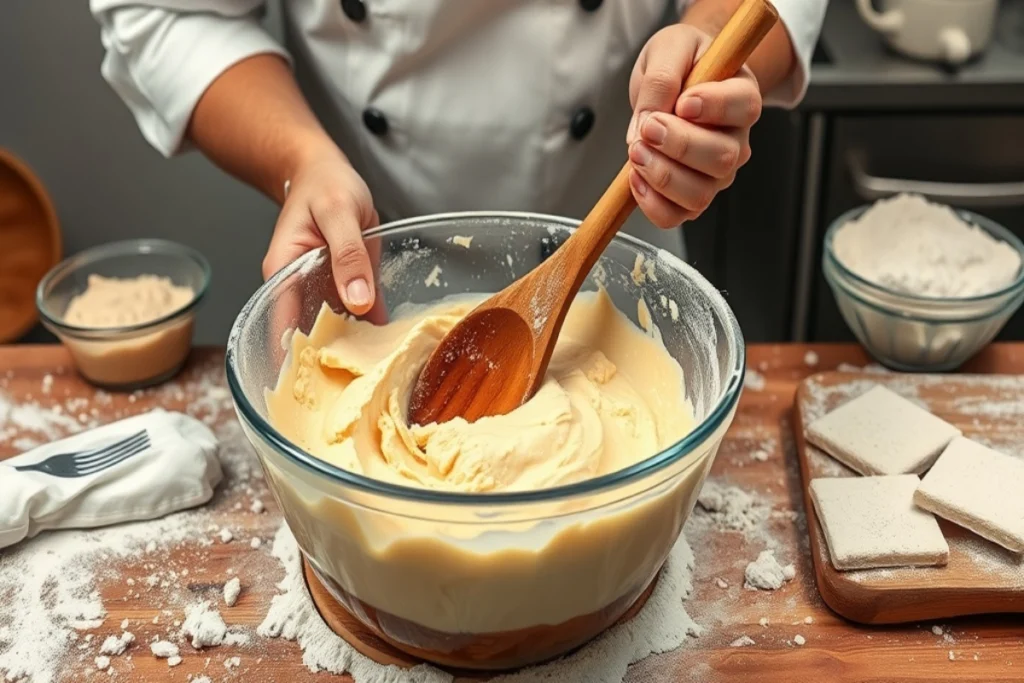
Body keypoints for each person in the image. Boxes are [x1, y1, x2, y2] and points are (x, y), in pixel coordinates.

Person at [90, 0, 826, 316]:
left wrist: (707, 48)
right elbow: (170, 11)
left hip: (618, 257)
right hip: (368, 274)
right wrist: (301, 158)